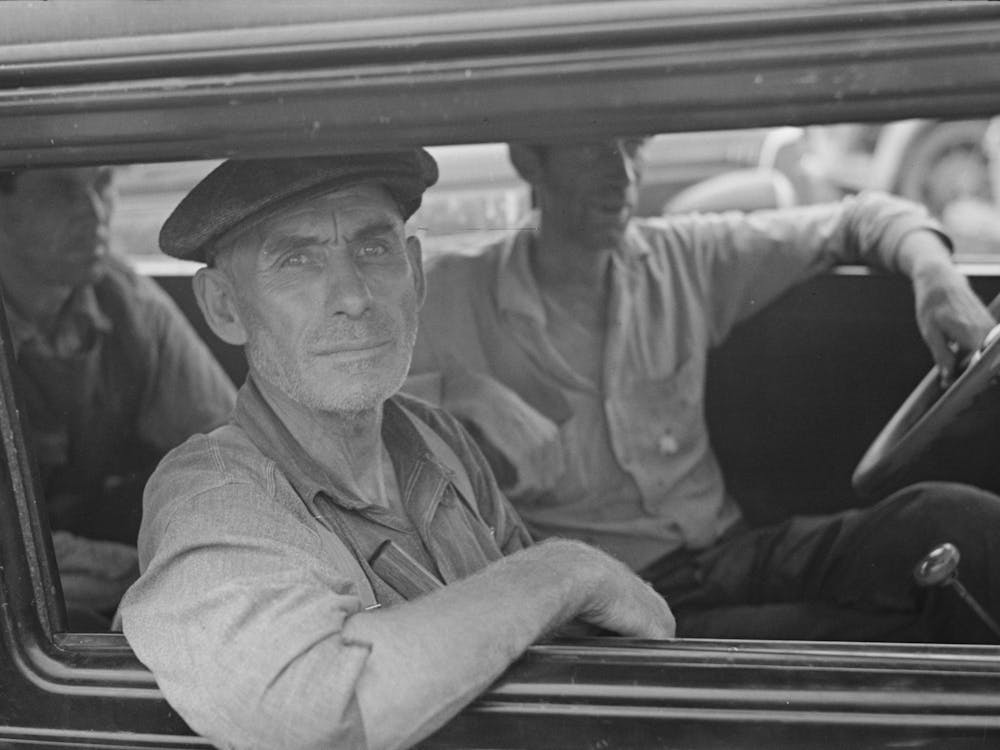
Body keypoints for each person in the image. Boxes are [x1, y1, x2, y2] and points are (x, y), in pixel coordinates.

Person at [118, 151, 674, 750]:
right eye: (298, 260)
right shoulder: (212, 495)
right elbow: (321, 715)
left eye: (374, 248)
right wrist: (566, 569)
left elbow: (548, 642)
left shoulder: (435, 436)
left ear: (416, 273)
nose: (354, 296)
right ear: (225, 308)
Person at [408, 136, 1000, 643]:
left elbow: (857, 219)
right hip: (615, 608)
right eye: (595, 150)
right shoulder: (452, 293)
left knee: (950, 518)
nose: (624, 175)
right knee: (863, 638)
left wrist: (936, 276)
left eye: (634, 147)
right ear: (527, 159)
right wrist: (461, 393)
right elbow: (358, 384)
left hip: (731, 552)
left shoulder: (682, 257)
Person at [0, 166, 236, 628]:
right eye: (61, 189)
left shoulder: (126, 301)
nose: (95, 212)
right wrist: (143, 570)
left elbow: (226, 444)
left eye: (102, 183)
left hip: (76, 550)